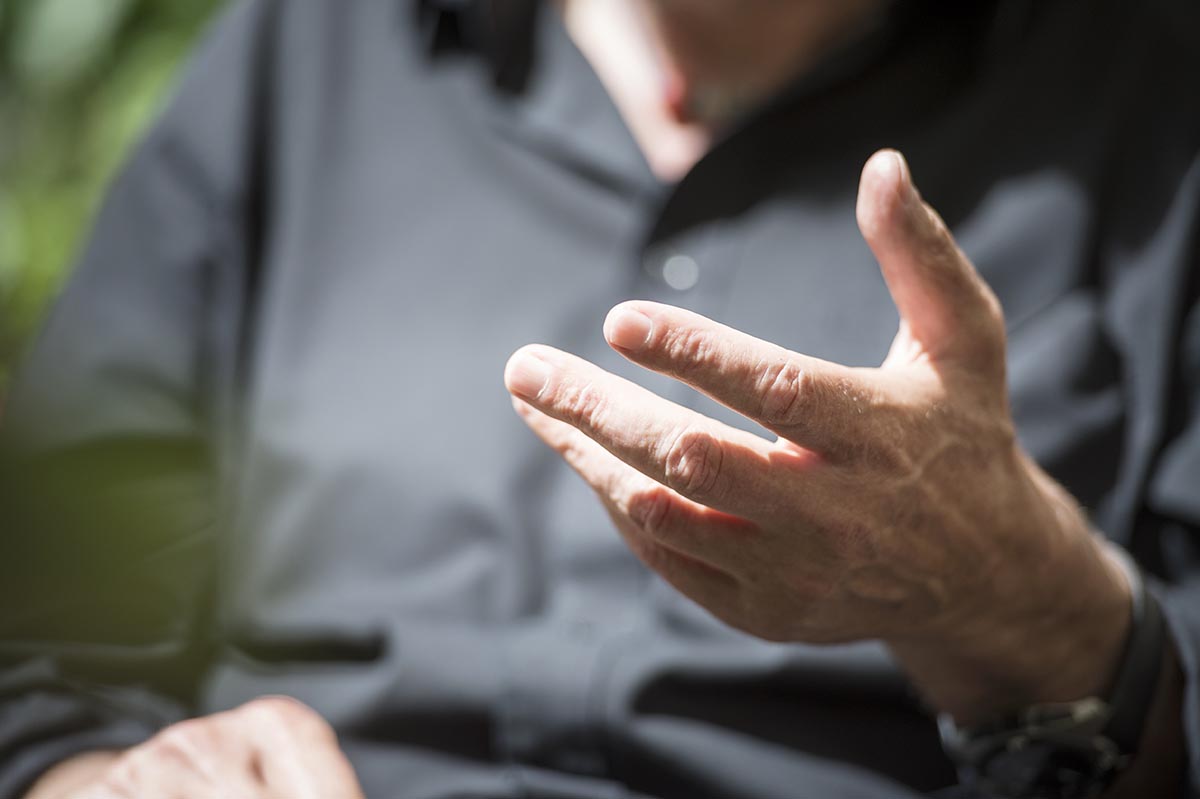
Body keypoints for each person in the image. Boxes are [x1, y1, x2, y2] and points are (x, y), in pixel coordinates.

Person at [1, 0, 1198, 797]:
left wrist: (1020, 599)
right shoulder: (309, 48)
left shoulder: (1155, 91)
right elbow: (46, 635)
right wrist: (108, 777)